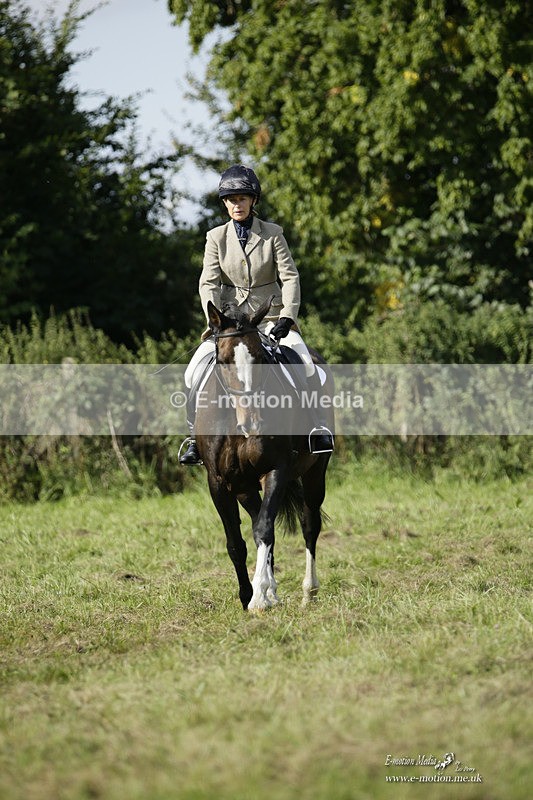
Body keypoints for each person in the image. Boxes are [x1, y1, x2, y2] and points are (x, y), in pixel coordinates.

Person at [179, 164, 334, 465]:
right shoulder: (215, 237)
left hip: (271, 318)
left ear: (252, 201)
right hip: (230, 324)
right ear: (225, 203)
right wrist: (214, 320)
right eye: (231, 199)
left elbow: (289, 277)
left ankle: (316, 426)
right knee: (192, 371)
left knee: (306, 364)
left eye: (242, 198)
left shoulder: (273, 234)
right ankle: (192, 437)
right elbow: (208, 282)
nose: (237, 204)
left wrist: (287, 316)